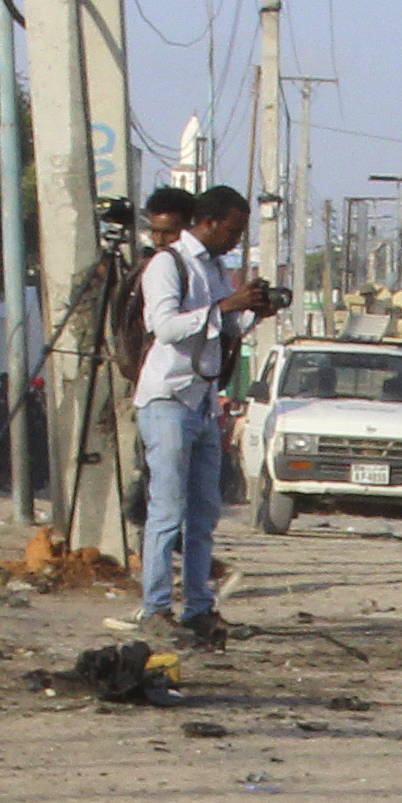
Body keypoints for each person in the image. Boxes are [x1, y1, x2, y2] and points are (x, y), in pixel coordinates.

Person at [135, 183, 279, 641]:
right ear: (211, 222)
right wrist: (222, 307)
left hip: (202, 401)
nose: (236, 240)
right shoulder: (168, 263)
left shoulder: (215, 267)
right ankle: (155, 607)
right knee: (167, 508)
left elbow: (227, 326)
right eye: (234, 231)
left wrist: (255, 310)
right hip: (167, 398)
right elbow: (165, 327)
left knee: (203, 511)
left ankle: (198, 606)